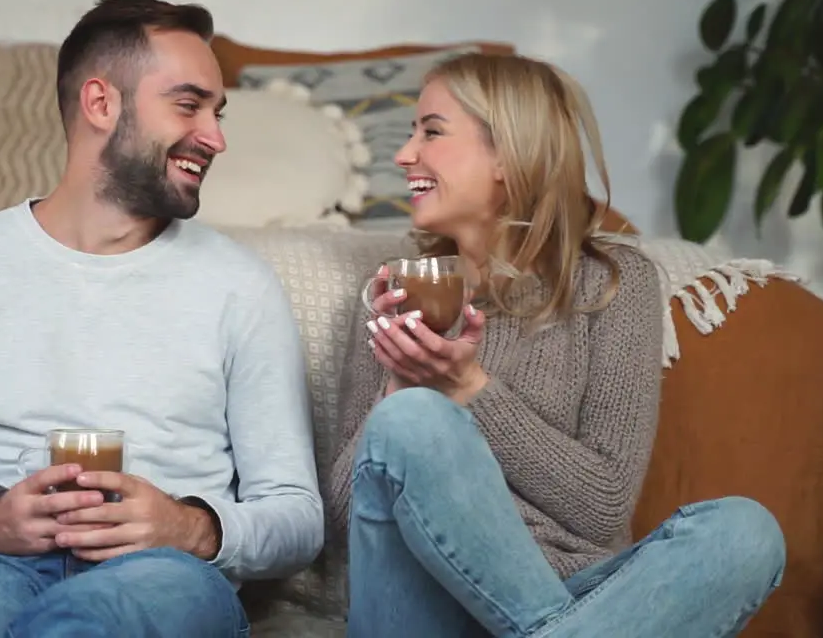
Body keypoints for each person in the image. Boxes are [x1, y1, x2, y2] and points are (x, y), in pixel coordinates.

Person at [0, 0, 324, 638]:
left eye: (216, 112)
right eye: (188, 104)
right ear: (100, 104)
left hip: (163, 574)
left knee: (91, 621)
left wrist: (190, 526)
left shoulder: (239, 285)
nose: (216, 137)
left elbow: (296, 515)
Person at [327, 53, 786, 637]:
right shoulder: (395, 291)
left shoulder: (613, 284)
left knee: (746, 535)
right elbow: (344, 526)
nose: (404, 153)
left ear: (508, 155)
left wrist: (468, 387)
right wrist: (399, 384)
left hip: (586, 598)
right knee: (413, 419)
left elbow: (602, 508)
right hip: (424, 607)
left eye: (432, 131)